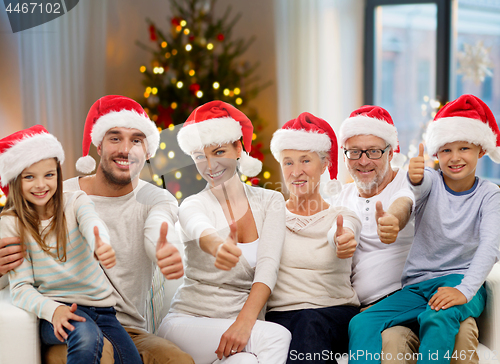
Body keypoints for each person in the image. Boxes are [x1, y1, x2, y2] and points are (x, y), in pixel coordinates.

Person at [0, 96, 194, 364]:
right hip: (68, 324)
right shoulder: (55, 194)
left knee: (178, 361)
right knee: (98, 353)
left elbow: (156, 228)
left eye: (136, 140)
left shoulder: (156, 199)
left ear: (147, 150)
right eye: (115, 138)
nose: (126, 149)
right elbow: (17, 280)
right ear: (98, 144)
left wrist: (164, 247)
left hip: (127, 328)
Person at [348, 94, 500, 364]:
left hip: (462, 282)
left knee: (437, 316)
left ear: (481, 150)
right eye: (445, 150)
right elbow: (413, 192)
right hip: (418, 287)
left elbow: (490, 247)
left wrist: (464, 290)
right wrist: (412, 181)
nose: (454, 158)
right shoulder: (430, 179)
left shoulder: (490, 195)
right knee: (362, 323)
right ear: (436, 154)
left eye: (463, 148)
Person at [157, 100, 292, 364]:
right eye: (199, 157)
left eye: (218, 152)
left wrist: (244, 322)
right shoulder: (193, 204)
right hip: (188, 324)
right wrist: (218, 246)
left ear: (238, 148)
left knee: (247, 362)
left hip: (237, 329)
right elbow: (199, 228)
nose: (209, 166)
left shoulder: (270, 201)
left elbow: (268, 267)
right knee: (277, 337)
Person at [0, 125, 142, 364]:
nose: (40, 185)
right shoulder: (11, 223)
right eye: (29, 177)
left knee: (131, 360)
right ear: (15, 180)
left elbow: (92, 223)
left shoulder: (75, 201)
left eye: (49, 175)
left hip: (104, 311)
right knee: (86, 338)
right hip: (57, 309)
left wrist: (100, 243)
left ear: (57, 173)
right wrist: (53, 311)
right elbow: (21, 288)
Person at [265, 112, 361, 364]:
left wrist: (341, 239)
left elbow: (344, 232)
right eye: (288, 162)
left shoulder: (341, 216)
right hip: (281, 316)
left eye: (305, 160)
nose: (296, 172)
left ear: (324, 164)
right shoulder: (269, 217)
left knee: (309, 323)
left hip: (334, 314)